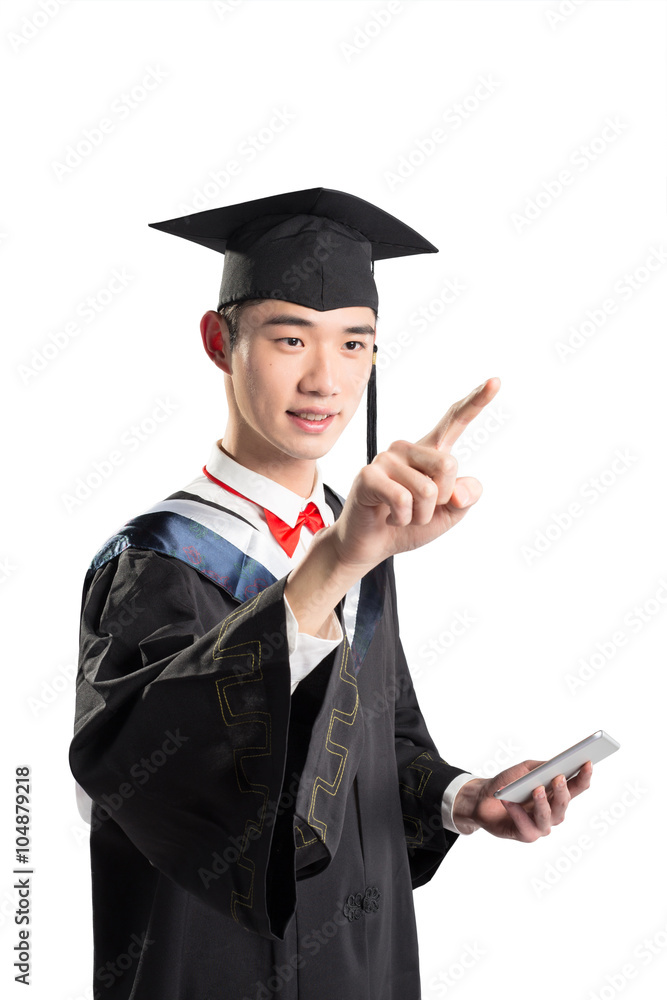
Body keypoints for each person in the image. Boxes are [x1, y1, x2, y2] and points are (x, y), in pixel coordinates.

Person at [69, 188, 592, 1000]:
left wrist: (466, 797)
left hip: (362, 961)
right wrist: (333, 565)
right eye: (288, 337)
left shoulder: (356, 534)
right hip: (216, 968)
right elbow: (145, 775)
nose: (325, 378)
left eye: (355, 343)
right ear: (220, 341)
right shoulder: (157, 560)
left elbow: (378, 745)